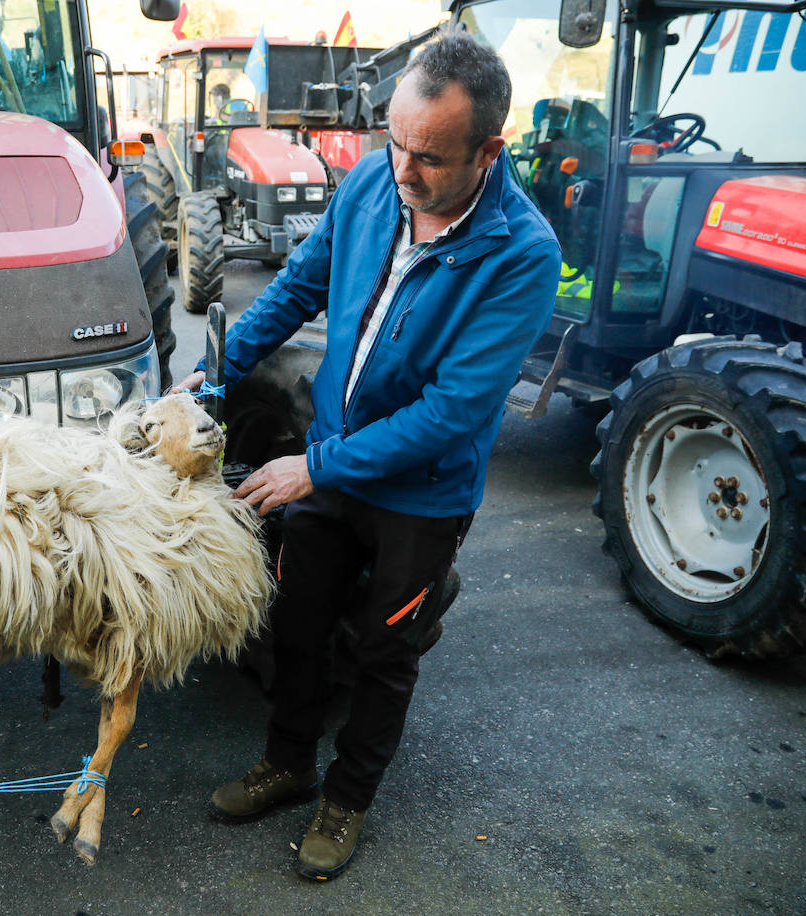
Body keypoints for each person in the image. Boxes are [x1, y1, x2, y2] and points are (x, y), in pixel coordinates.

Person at [175, 33, 560, 881]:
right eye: (396, 142)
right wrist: (210, 378)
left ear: (489, 150)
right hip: (334, 460)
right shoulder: (372, 185)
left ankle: (345, 799)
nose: (405, 171)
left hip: (420, 494)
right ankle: (287, 762)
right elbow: (296, 289)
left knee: (387, 654)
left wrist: (315, 467)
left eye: (429, 157)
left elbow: (452, 414)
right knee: (298, 622)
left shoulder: (523, 256)